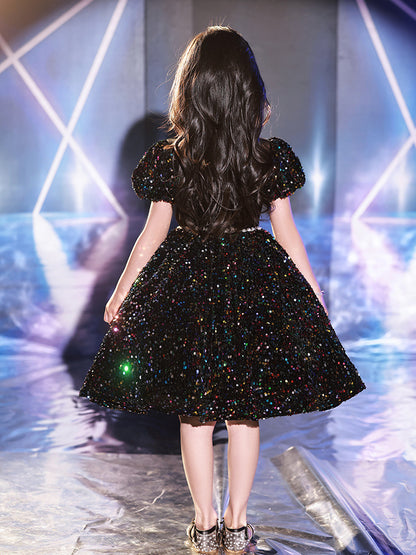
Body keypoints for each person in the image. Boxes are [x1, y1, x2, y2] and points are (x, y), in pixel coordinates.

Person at [79, 26, 366, 553]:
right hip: (252, 285)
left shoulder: (173, 157)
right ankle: (237, 523)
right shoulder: (266, 157)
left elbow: (153, 234)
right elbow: (287, 234)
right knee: (243, 411)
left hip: (186, 284)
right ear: (248, 92)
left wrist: (122, 291)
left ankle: (205, 522)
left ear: (191, 89)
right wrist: (313, 294)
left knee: (196, 412)